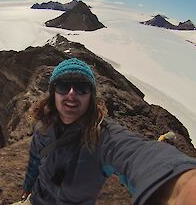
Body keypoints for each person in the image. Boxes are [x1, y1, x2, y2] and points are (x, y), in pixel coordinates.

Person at [11, 58, 196, 205]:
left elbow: (134, 153)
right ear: (53, 93)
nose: (71, 93)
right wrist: (28, 187)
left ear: (91, 96)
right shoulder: (43, 126)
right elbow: (35, 161)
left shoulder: (102, 135)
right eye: (63, 86)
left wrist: (179, 183)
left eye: (81, 87)